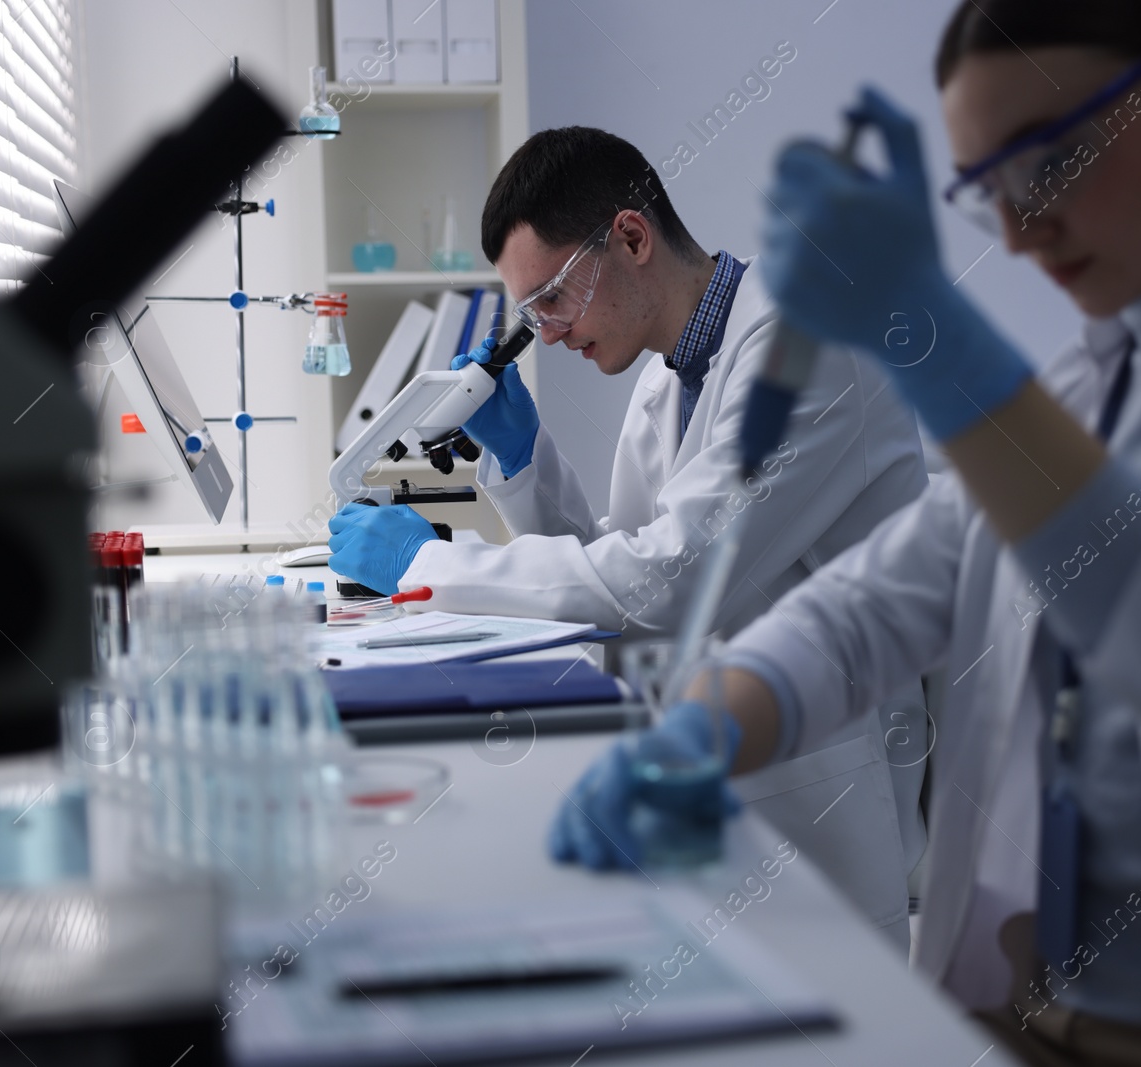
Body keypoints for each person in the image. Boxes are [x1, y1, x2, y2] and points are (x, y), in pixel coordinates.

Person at [549, 3, 1141, 1064]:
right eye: (984, 187)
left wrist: (936, 336)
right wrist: (703, 725)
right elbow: (867, 608)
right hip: (1029, 1007)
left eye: (1043, 165)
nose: (1012, 229)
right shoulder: (1084, 391)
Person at [327, 127, 930, 949]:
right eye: (530, 311)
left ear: (632, 238)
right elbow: (616, 567)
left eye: (549, 299)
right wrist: (526, 460)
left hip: (819, 794)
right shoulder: (669, 373)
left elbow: (664, 585)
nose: (543, 332)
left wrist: (423, 562)